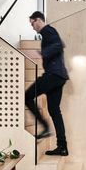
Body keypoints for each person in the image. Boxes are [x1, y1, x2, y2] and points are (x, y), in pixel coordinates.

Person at [25, 11, 69, 156]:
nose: (32, 27)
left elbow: (58, 45)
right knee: (54, 110)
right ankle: (62, 147)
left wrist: (39, 53)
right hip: (59, 76)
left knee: (27, 96)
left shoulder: (48, 30)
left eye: (32, 23)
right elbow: (59, 44)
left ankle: (44, 127)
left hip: (54, 75)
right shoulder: (48, 33)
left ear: (38, 20)